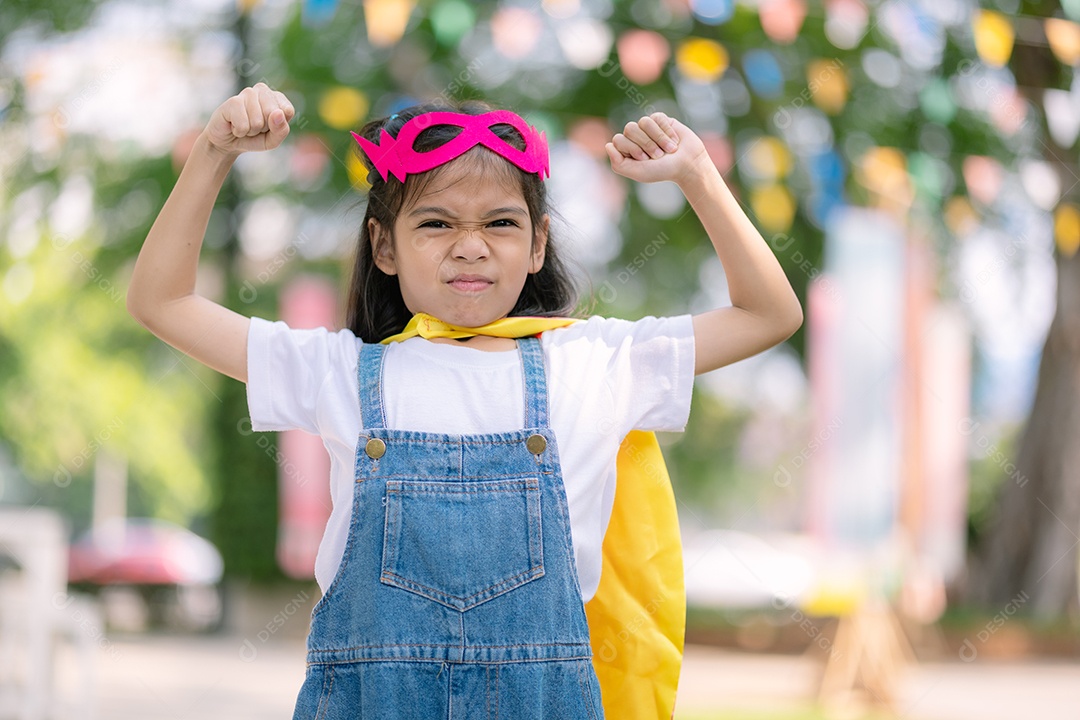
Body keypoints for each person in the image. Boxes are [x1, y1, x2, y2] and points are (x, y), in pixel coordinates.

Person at [127, 82, 802, 718]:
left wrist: (697, 174)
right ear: (384, 246)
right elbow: (162, 301)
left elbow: (769, 313)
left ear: (537, 243)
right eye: (436, 223)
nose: (471, 247)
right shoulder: (338, 370)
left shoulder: (596, 361)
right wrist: (214, 152)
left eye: (501, 222)